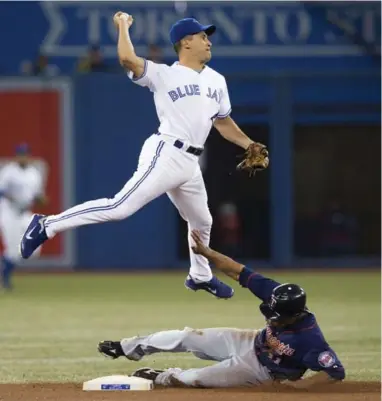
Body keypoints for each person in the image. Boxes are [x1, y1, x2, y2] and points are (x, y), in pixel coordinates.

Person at [19, 15, 269, 299]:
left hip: (191, 162)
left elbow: (222, 122)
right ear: (185, 42)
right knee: (120, 207)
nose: (208, 41)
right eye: (202, 37)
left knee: (202, 221)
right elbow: (128, 59)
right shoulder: (164, 74)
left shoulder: (217, 80)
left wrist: (249, 144)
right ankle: (47, 224)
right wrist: (123, 27)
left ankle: (200, 275)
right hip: (167, 152)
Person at [98, 230, 345, 389]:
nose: (272, 319)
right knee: (189, 336)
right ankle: (126, 346)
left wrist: (298, 387)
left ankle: (161, 376)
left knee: (195, 379)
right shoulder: (276, 293)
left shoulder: (311, 339)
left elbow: (335, 373)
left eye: (277, 317)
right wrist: (207, 253)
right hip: (250, 341)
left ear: (295, 315)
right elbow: (237, 270)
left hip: (263, 372)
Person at [0, 144, 47, 290]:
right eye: (20, 154)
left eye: (25, 154)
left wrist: (41, 199)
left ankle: (4, 264)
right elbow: (1, 190)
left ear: (28, 156)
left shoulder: (34, 173)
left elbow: (37, 196)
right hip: (8, 212)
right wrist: (12, 197)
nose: (22, 157)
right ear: (16, 156)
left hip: (25, 212)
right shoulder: (8, 171)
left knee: (35, 247)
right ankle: (6, 278)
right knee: (13, 251)